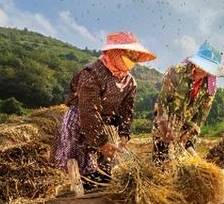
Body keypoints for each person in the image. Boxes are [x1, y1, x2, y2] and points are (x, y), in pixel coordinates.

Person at [52, 31, 156, 189]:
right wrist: (101, 142)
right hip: (80, 120)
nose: (133, 60)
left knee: (105, 173)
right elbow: (88, 110)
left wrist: (124, 132)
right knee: (80, 168)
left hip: (104, 123)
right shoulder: (92, 73)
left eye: (135, 57)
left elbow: (126, 110)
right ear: (115, 53)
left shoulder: (130, 82)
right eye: (130, 55)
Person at [152, 41, 223, 163]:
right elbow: (162, 104)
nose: (205, 71)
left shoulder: (210, 87)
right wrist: (166, 130)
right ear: (197, 62)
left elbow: (201, 116)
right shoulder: (176, 73)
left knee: (187, 169)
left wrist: (189, 135)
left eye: (209, 68)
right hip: (166, 124)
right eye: (204, 65)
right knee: (162, 166)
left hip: (186, 128)